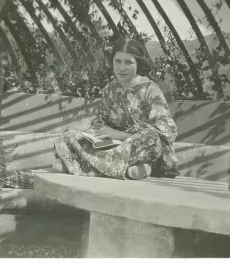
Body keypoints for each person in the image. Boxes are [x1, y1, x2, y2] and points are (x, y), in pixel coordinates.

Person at [53, 38, 179, 180]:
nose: (122, 68)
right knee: (69, 136)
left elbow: (165, 130)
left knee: (150, 137)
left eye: (128, 62)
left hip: (139, 146)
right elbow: (101, 121)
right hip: (113, 146)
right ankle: (129, 170)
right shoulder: (110, 89)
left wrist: (123, 135)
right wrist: (90, 131)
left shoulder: (151, 90)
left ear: (138, 64)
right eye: (118, 61)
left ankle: (81, 166)